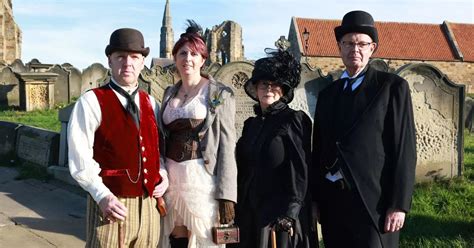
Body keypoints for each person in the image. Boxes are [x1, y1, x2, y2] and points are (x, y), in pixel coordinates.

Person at [312, 10, 417, 248]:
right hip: (332, 200)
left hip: (373, 200)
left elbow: (404, 148)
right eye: (348, 43)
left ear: (372, 48)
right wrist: (316, 199)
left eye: (361, 43)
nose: (354, 49)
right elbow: (318, 148)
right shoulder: (328, 95)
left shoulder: (392, 88)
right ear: (339, 47)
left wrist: (399, 204)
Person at [68, 28, 168, 247]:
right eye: (120, 57)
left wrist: (162, 174)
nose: (127, 63)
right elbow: (80, 157)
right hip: (112, 204)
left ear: (143, 62)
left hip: (150, 206)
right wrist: (101, 195)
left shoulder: (152, 104)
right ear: (110, 61)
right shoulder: (91, 102)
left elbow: (157, 150)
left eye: (134, 57)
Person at [159, 20, 237, 247]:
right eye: (182, 53)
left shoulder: (218, 94)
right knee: (175, 237)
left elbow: (227, 145)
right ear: (175, 58)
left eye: (194, 54)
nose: (188, 59)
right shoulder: (168, 93)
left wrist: (227, 194)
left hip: (201, 180)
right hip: (171, 179)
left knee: (204, 239)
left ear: (203, 59)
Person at [233, 49, 317, 247]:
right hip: (250, 210)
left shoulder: (293, 120)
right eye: (263, 83)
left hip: (279, 214)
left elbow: (301, 171)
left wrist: (291, 213)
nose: (268, 89)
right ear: (256, 88)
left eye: (274, 84)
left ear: (283, 89)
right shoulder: (251, 125)